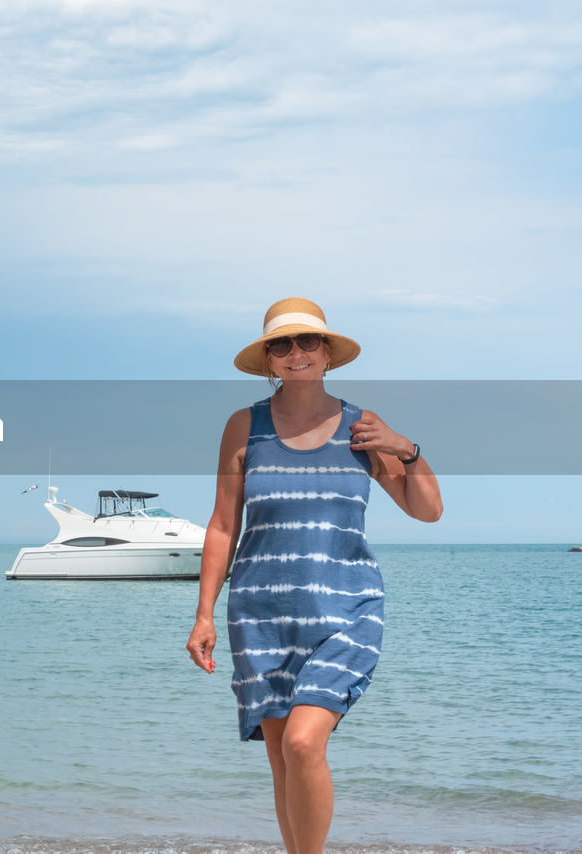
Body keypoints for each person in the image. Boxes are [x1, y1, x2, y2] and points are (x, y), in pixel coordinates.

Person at [185, 297, 442, 854]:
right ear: (269, 359)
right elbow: (224, 524)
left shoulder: (362, 428)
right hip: (260, 613)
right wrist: (203, 614)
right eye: (282, 344)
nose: (296, 353)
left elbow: (427, 511)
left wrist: (408, 449)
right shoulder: (243, 426)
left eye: (307, 342)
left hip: (346, 611)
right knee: (282, 760)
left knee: (303, 744)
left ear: (327, 353)